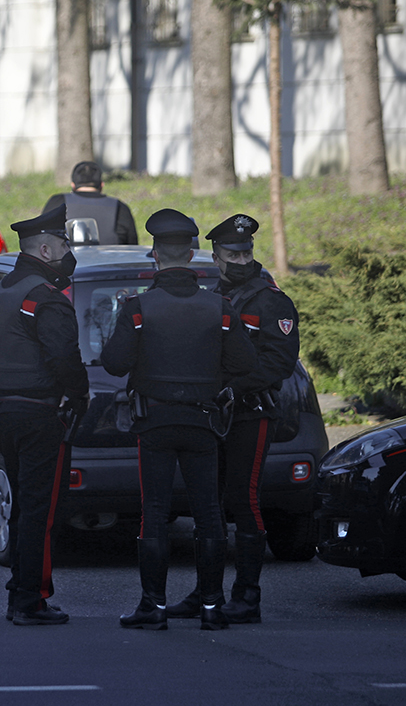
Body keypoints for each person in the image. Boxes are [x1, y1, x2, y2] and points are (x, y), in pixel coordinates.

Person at [100, 209, 255, 631]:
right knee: (208, 513)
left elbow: (114, 363)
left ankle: (154, 607)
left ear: (155, 255)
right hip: (204, 424)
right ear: (192, 254)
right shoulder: (219, 308)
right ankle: (211, 607)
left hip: (154, 423)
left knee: (155, 510)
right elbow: (244, 362)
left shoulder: (138, 307)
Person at [164, 214, 300, 624]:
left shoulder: (271, 300)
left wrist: (235, 389)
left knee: (243, 499)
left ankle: (247, 596)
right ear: (215, 257)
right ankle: (206, 593)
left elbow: (280, 362)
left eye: (246, 252)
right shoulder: (211, 297)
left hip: (250, 414)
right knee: (208, 505)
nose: (241, 260)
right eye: (232, 254)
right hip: (212, 414)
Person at [0, 204, 89, 626]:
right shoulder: (43, 298)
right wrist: (78, 396)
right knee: (42, 511)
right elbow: (65, 356)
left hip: (2, 412)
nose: (66, 252)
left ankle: (20, 592)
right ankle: (32, 599)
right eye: (62, 244)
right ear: (44, 249)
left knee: (25, 505)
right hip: (40, 414)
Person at [43, 161, 138, 245]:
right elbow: (132, 246)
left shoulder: (57, 202)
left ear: (73, 185)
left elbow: (42, 237)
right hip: (108, 263)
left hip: (66, 264)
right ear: (101, 185)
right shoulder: (119, 207)